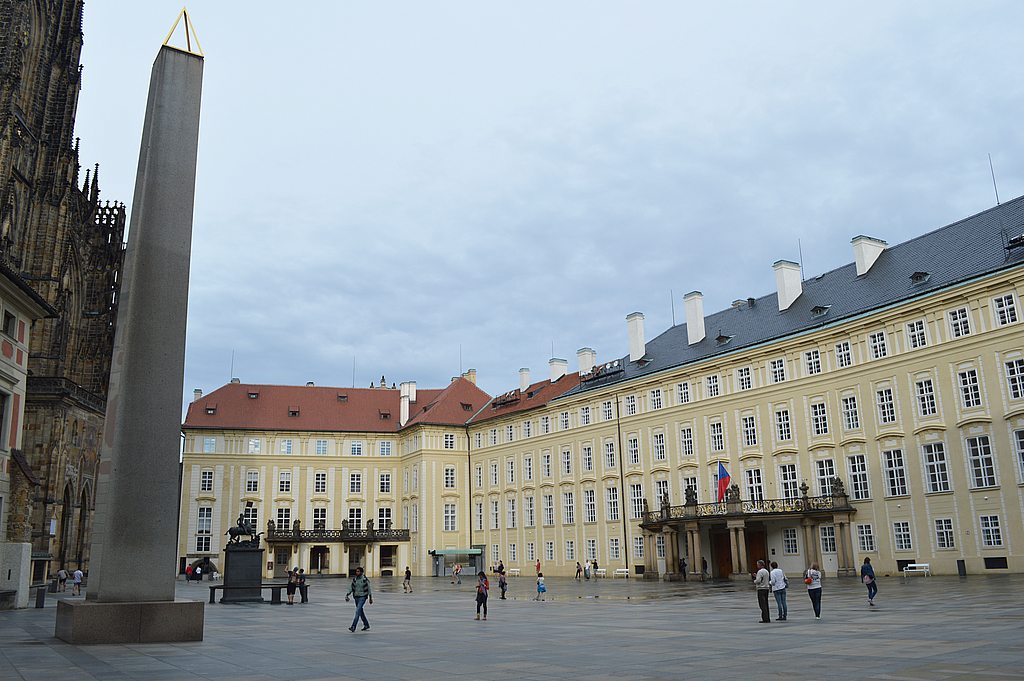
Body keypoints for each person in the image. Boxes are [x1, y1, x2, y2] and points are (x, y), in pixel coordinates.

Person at [345, 566, 373, 632]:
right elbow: (351, 587)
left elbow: (369, 589)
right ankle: (366, 625)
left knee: (357, 611)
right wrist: (347, 594)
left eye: (358, 571)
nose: (357, 572)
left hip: (362, 597)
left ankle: (353, 626)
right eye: (356, 571)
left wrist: (370, 597)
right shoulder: (355, 579)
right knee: (360, 612)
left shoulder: (364, 579)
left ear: (361, 572)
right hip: (356, 597)